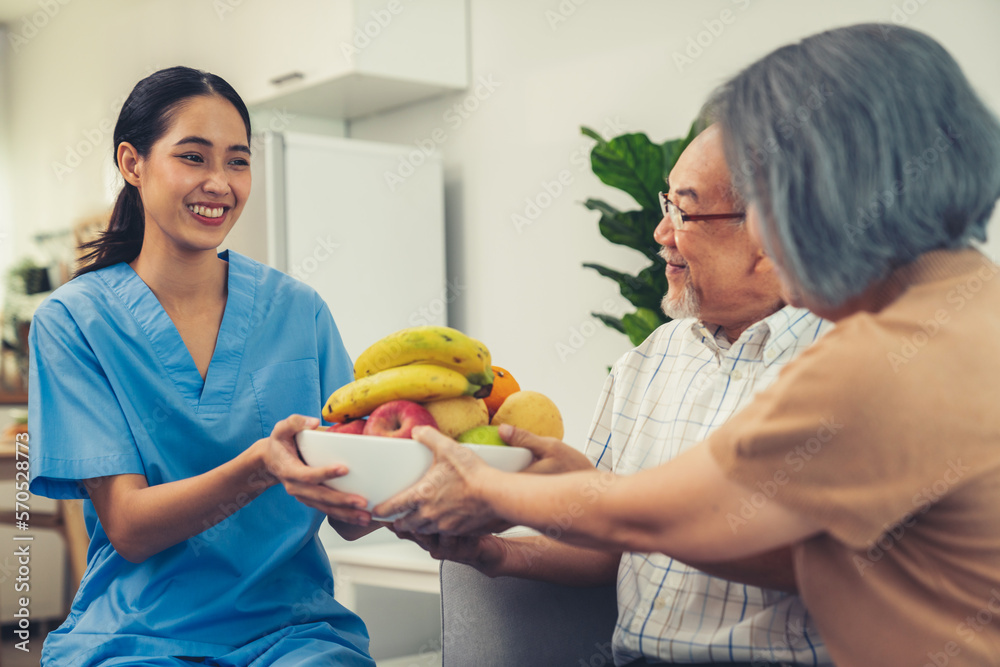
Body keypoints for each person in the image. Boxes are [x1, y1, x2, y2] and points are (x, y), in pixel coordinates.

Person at [375, 24, 1000, 667]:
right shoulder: (966, 308)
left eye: (769, 195)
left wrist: (482, 485)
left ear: (828, 192)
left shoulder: (881, 357)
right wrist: (560, 505)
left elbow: (677, 514)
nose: (763, 230)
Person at [398, 125, 833, 666]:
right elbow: (611, 552)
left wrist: (527, 495)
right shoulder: (649, 361)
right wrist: (494, 551)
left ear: (771, 235)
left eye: (684, 213)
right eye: (666, 204)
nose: (660, 232)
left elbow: (816, 560)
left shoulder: (844, 364)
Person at [28, 66, 377, 666]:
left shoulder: (299, 311)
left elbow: (352, 514)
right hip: (136, 637)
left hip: (293, 634)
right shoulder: (74, 321)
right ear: (132, 163)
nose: (220, 183)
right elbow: (130, 527)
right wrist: (261, 467)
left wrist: (425, 474)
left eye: (238, 162)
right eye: (194, 157)